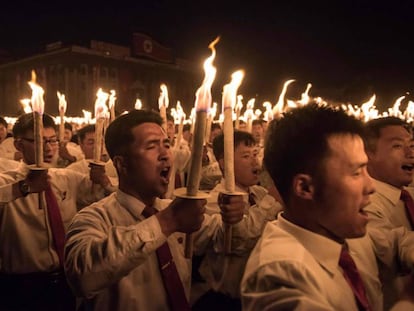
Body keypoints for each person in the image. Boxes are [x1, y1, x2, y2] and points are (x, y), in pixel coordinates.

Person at [64, 109, 254, 311]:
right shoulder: (94, 217)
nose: (165, 155)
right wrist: (167, 223)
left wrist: (233, 218)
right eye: (152, 147)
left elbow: (231, 241)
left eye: (167, 145)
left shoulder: (172, 210)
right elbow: (82, 276)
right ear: (122, 163)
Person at [241, 103, 384, 310]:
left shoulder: (339, 237)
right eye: (356, 173)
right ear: (305, 187)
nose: (371, 186)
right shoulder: (281, 274)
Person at [0, 112, 113, 311]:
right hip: (22, 286)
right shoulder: (7, 181)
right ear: (18, 145)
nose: (48, 148)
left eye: (52, 140)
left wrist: (102, 179)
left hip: (65, 282)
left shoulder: (66, 178)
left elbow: (106, 196)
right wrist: (24, 187)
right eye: (39, 140)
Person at [194, 130, 283, 310]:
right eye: (245, 156)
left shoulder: (258, 194)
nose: (254, 161)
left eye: (255, 154)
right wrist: (272, 200)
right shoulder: (215, 202)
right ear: (224, 163)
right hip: (225, 301)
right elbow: (238, 240)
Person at [363, 116, 414, 309]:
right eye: (397, 146)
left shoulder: (408, 195)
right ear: (367, 154)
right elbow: (392, 245)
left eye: (412, 145)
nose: (410, 153)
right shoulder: (365, 203)